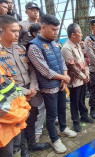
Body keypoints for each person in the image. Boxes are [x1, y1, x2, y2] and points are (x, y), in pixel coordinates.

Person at [0, 15, 51, 157]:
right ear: (2, 31)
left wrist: (33, 87)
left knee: (31, 119)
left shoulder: (21, 48)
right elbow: (3, 80)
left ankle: (32, 143)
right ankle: (24, 150)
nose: (17, 34)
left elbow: (32, 69)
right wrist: (25, 91)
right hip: (13, 96)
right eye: (13, 31)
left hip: (30, 90)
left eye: (18, 31)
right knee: (18, 124)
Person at [27, 14, 77, 154]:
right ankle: (55, 140)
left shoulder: (54, 43)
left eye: (57, 29)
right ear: (43, 27)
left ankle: (63, 129)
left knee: (62, 108)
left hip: (61, 83)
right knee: (51, 114)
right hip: (49, 87)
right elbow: (44, 70)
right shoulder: (34, 46)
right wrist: (63, 77)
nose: (56, 32)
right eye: (53, 29)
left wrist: (65, 77)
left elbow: (61, 61)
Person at [61, 23, 94, 132]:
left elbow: (83, 61)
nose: (81, 34)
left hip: (83, 78)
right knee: (74, 102)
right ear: (73, 34)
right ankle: (75, 121)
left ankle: (83, 115)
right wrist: (84, 76)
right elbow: (72, 67)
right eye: (79, 32)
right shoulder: (66, 48)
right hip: (74, 80)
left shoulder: (78, 45)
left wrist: (87, 73)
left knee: (82, 99)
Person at [0, 60, 31, 157]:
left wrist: (25, 108)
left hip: (16, 123)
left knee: (16, 150)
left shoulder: (2, 65)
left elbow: (15, 89)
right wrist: (24, 113)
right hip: (4, 131)